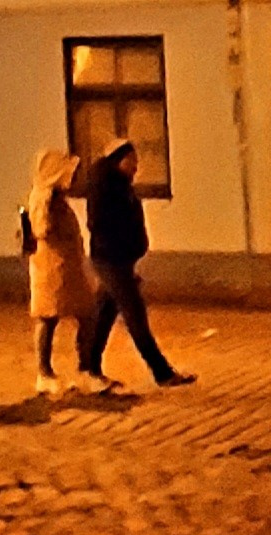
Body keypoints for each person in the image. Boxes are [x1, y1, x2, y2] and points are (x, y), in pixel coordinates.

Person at [77, 137, 194, 389]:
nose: (136, 166)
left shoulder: (119, 185)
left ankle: (89, 367)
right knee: (134, 314)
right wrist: (123, 246)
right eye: (132, 160)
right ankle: (162, 373)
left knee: (104, 313)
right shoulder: (104, 187)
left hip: (120, 259)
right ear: (118, 160)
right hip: (110, 259)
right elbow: (100, 223)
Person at [21, 149, 90, 394]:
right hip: (51, 268)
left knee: (84, 314)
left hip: (65, 266)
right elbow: (42, 230)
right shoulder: (43, 198)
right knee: (48, 318)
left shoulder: (57, 198)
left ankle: (84, 368)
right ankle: (45, 372)